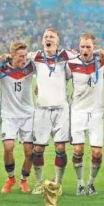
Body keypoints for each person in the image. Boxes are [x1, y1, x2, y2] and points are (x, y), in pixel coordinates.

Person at [66, 34, 104, 196]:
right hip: (78, 111)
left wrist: (103, 53)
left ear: (94, 47)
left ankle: (91, 183)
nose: (85, 50)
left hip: (96, 112)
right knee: (78, 149)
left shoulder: (102, 61)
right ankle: (80, 183)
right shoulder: (71, 63)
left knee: (97, 152)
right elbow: (61, 79)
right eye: (82, 46)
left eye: (88, 47)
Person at [27, 28, 76, 195]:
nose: (48, 39)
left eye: (52, 37)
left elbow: (72, 74)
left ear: (58, 41)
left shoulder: (66, 57)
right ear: (42, 41)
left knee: (61, 147)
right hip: (41, 108)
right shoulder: (34, 57)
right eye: (45, 36)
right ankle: (39, 182)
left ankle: (57, 183)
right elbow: (16, 57)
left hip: (61, 108)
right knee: (38, 148)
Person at [0, 42, 35, 194]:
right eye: (20, 56)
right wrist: (1, 59)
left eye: (25, 56)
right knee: (8, 147)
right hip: (9, 115)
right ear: (12, 55)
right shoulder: (3, 68)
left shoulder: (30, 67)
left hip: (28, 114)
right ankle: (10, 178)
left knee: (30, 152)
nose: (24, 59)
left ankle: (24, 180)